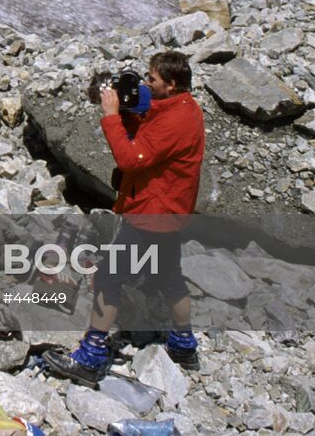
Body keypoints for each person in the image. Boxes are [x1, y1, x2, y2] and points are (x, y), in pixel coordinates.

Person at [42, 50, 206, 385]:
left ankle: (91, 357)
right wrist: (127, 110)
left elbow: (132, 158)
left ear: (171, 85)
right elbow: (148, 131)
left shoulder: (176, 120)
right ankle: (184, 345)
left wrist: (111, 116)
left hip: (151, 214)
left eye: (153, 80)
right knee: (169, 276)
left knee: (108, 277)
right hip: (170, 211)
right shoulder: (182, 107)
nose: (148, 83)